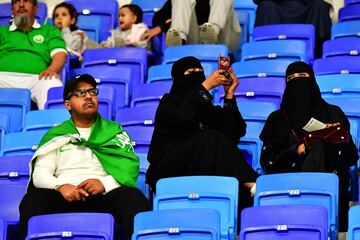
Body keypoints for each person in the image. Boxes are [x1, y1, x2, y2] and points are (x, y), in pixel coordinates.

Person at [19, 74, 150, 240]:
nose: (88, 96)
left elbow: (129, 169)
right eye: (80, 93)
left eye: (92, 92)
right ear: (68, 104)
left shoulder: (115, 132)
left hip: (103, 197)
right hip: (64, 196)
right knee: (33, 200)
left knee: (134, 198)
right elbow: (40, 175)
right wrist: (61, 186)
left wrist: (103, 184)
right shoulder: (57, 135)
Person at [146, 56, 258, 218]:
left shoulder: (206, 107)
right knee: (212, 137)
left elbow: (234, 132)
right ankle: (253, 183)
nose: (196, 74)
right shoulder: (168, 102)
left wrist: (229, 96)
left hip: (200, 167)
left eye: (200, 72)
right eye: (190, 72)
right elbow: (182, 116)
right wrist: (205, 86)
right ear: (178, 78)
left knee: (220, 148)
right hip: (168, 168)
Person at [259, 61, 359, 232]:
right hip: (287, 182)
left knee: (318, 143)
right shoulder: (276, 119)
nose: (298, 82)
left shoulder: (334, 113)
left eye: (303, 76)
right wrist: (294, 152)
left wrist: (340, 139)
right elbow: (267, 162)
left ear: (312, 80)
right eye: (291, 78)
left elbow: (351, 158)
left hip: (330, 182)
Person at [0, 0, 67, 109]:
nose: (21, 5)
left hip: (37, 78)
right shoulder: (2, 31)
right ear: (12, 9)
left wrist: (52, 70)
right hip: (2, 77)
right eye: (17, 2)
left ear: (36, 8)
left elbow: (60, 54)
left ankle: (55, 124)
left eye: (26, 1)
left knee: (52, 84)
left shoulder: (49, 31)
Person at [141, 0, 241, 52]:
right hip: (196, 39)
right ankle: (179, 39)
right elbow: (159, 16)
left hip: (222, 39)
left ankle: (213, 31)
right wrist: (162, 27)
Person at [253, 0, 332, 58]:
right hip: (276, 5)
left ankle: (319, 56)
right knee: (266, 6)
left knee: (319, 5)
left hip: (307, 5)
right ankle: (266, 54)